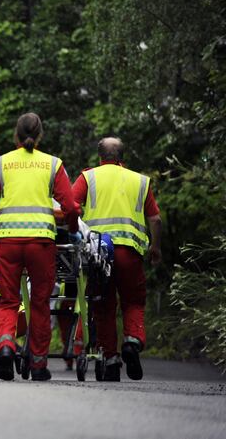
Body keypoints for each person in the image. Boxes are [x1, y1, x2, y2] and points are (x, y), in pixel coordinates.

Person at [0, 112, 79, 381]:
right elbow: (69, 206)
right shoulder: (52, 164)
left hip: (8, 242)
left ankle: (6, 346)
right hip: (41, 243)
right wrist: (73, 229)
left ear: (15, 134)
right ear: (41, 134)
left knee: (9, 301)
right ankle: (37, 364)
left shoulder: (1, 164)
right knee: (40, 303)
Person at [72, 136, 161, 381]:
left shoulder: (88, 178)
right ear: (122, 157)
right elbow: (155, 219)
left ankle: (110, 359)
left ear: (99, 157)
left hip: (98, 253)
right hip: (130, 253)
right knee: (133, 301)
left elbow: (70, 207)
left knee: (103, 304)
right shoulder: (139, 181)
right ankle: (132, 341)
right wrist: (155, 246)